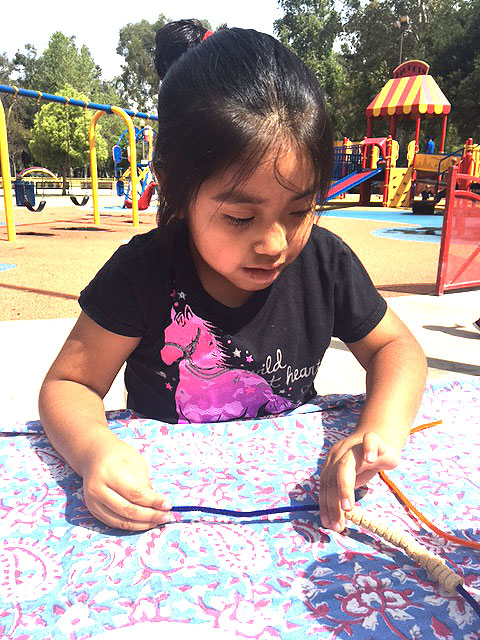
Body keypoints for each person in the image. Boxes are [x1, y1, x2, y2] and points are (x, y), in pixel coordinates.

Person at [39, 20, 427, 534]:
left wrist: (377, 431)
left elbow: (396, 348)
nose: (273, 244)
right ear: (176, 192)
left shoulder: (324, 263)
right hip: (170, 517)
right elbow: (69, 384)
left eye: (299, 210)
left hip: (300, 518)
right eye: (240, 218)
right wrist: (94, 450)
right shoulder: (143, 274)